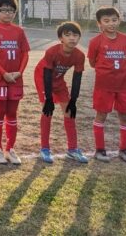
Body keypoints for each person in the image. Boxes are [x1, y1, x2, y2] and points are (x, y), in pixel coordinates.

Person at [0, 0, 30, 165]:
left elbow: (25, 53)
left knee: (12, 114)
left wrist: (19, 72)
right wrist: (3, 73)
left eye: (11, 10)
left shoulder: (19, 31)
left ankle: (10, 148)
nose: (8, 13)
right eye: (4, 10)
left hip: (16, 79)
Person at [34, 21, 88, 164]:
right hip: (42, 77)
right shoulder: (52, 51)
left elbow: (77, 78)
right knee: (48, 110)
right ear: (61, 38)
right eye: (67, 35)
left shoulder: (79, 55)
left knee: (69, 112)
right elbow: (46, 74)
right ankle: (44, 148)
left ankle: (72, 150)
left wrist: (73, 100)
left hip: (58, 80)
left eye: (75, 35)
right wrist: (49, 98)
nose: (72, 38)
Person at [87, 7, 126, 163]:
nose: (111, 24)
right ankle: (100, 150)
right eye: (106, 21)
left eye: (114, 20)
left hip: (124, 85)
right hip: (104, 86)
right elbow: (92, 62)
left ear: (119, 20)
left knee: (125, 116)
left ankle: (124, 150)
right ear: (99, 23)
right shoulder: (95, 42)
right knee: (101, 115)